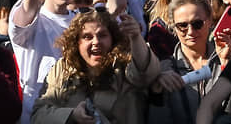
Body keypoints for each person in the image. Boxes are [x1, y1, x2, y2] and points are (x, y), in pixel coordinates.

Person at [30, 10, 158, 124]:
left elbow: (146, 73)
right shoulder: (62, 70)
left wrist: (136, 37)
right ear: (76, 42)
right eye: (87, 37)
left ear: (113, 38)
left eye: (102, 35)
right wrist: (71, 115)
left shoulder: (126, 65)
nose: (96, 42)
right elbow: (39, 115)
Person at [148, 0, 231, 123]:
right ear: (174, 28)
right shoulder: (164, 69)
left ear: (210, 20)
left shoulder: (228, 60)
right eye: (182, 25)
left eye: (197, 24)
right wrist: (156, 92)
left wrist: (226, 64)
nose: (190, 31)